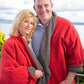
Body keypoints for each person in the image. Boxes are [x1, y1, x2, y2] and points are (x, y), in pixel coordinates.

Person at [32, 0, 83, 84]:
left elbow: (77, 54)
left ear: (51, 6)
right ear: (34, 8)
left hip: (61, 81)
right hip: (35, 80)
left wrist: (68, 80)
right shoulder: (30, 26)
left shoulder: (65, 25)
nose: (43, 9)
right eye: (39, 6)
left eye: (46, 5)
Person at [0, 9, 46, 84]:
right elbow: (8, 73)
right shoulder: (10, 43)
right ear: (18, 22)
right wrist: (31, 72)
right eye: (26, 21)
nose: (29, 26)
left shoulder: (29, 42)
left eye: (31, 23)